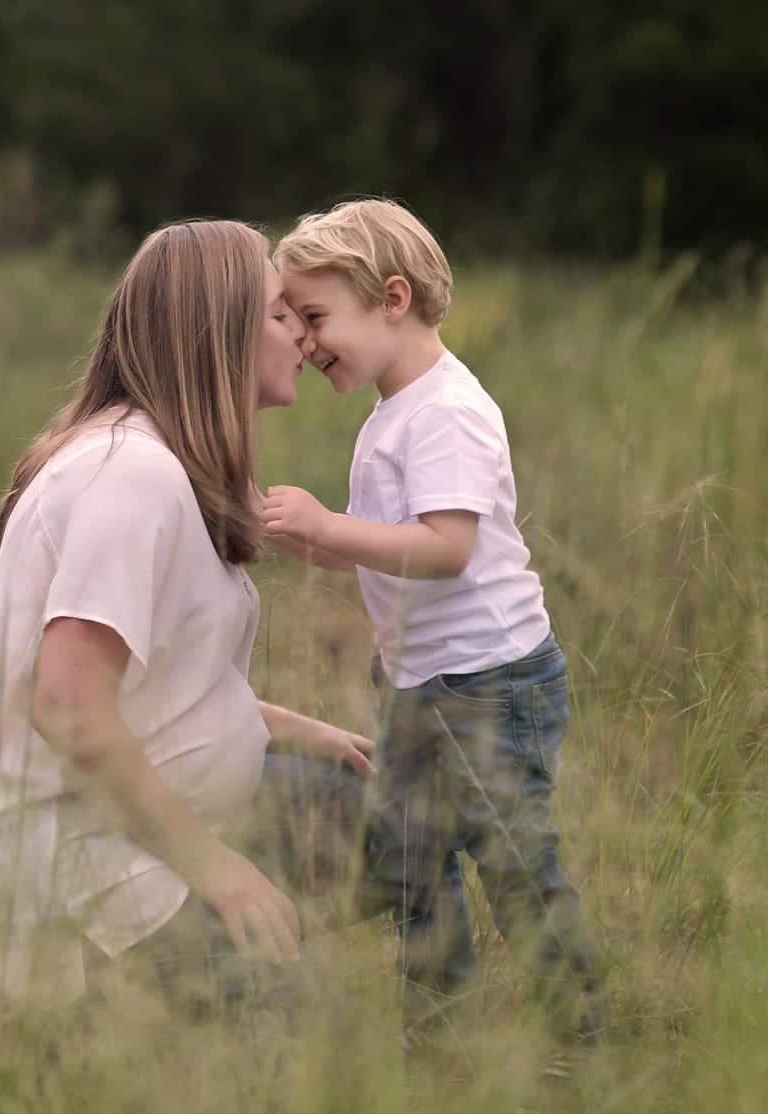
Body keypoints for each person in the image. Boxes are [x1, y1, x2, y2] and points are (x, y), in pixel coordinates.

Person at [0, 220, 374, 1011]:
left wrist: (299, 730)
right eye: (278, 315)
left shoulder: (161, 465)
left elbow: (148, 681)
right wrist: (216, 870)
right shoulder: (128, 477)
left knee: (364, 813)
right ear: (220, 337)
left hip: (119, 819)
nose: (301, 334)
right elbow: (65, 704)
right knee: (301, 1042)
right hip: (62, 850)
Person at [263, 199, 607, 1050]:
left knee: (516, 864)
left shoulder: (448, 410)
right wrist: (314, 544)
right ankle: (438, 1030)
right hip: (420, 683)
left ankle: (582, 1036)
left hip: (489, 684)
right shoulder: (394, 414)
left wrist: (327, 527)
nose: (303, 342)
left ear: (390, 298)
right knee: (416, 864)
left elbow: (446, 547)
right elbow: (393, 545)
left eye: (314, 317)